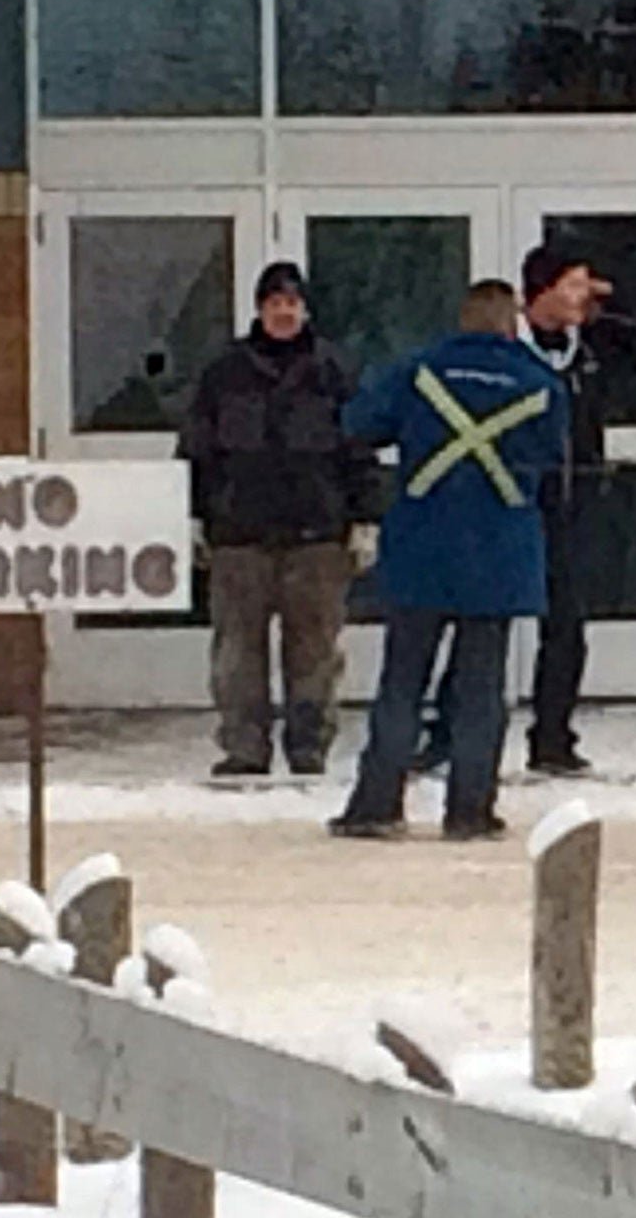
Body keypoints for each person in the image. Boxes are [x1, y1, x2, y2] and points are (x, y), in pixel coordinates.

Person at [329, 280, 568, 840]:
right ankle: (470, 810)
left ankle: (377, 805)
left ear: (463, 320)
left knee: (402, 682)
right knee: (481, 689)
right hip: (498, 553)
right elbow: (554, 456)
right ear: (512, 324)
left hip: (423, 549)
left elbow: (358, 424)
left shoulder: (418, 371)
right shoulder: (540, 384)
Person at [180, 261, 380, 778]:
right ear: (259, 309)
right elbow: (197, 450)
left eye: (291, 303)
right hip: (238, 535)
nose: (283, 312)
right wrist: (193, 516)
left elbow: (359, 450)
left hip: (317, 534)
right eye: (274, 303)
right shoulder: (224, 373)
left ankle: (308, 748)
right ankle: (244, 749)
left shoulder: (335, 370)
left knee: (314, 653)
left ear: (305, 308)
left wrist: (365, 519)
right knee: (236, 656)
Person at [415, 247, 610, 777]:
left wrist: (608, 305)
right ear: (540, 291)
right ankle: (446, 733)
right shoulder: (506, 350)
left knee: (566, 623)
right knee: (482, 618)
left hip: (569, 504)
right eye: (572, 285)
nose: (581, 298)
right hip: (507, 502)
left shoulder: (586, 351)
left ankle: (553, 738)